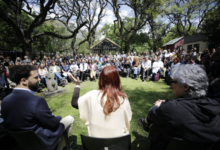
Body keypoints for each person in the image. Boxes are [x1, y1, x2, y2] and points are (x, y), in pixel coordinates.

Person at [139, 64, 220, 150]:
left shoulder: (170, 108)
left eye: (173, 82)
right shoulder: (214, 106)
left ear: (186, 86)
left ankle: (145, 123)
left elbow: (153, 115)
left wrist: (159, 106)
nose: (171, 85)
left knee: (157, 126)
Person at [1, 65, 74, 150]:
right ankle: (60, 147)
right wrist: (57, 117)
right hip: (41, 142)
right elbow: (53, 124)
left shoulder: (5, 101)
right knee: (70, 118)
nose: (39, 79)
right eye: (36, 77)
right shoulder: (36, 101)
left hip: (18, 143)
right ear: (24, 81)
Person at [69, 66, 132, 137]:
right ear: (117, 80)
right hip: (118, 144)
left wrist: (77, 85)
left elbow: (74, 103)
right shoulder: (123, 99)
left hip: (96, 143)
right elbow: (128, 119)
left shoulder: (91, 95)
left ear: (101, 79)